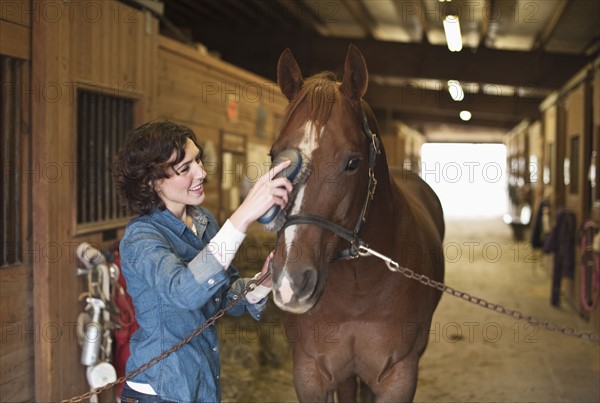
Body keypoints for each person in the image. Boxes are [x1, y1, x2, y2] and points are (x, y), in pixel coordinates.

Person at [112, 120, 292, 402]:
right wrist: (242, 216)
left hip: (202, 382)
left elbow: (220, 296)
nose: (202, 172)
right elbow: (184, 292)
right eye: (185, 168)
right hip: (160, 391)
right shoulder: (140, 239)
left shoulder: (202, 220)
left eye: (198, 160)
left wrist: (263, 282)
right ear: (152, 182)